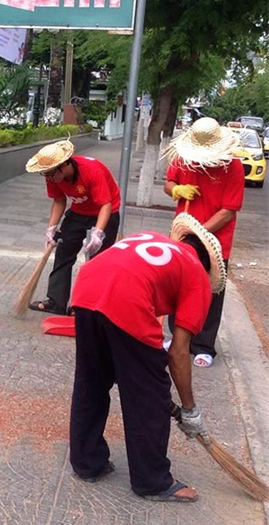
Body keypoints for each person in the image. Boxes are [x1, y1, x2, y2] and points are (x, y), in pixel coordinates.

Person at [69, 213, 226, 502]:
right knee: (150, 392)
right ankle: (152, 480)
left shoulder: (155, 240)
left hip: (86, 287)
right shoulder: (197, 277)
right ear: (207, 267)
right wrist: (190, 410)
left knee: (91, 382)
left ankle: (87, 463)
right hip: (125, 297)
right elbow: (179, 351)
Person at [163, 118, 244, 368]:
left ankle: (203, 345)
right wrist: (177, 190)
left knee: (210, 290)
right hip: (183, 234)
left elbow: (229, 211)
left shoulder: (233, 166)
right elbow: (169, 183)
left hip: (215, 239)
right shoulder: (185, 157)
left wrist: (200, 232)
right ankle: (178, 339)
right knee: (178, 287)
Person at [25, 140, 121, 315]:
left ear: (63, 165)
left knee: (97, 261)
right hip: (78, 213)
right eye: (44, 174)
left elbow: (105, 205)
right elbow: (59, 200)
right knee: (63, 254)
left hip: (106, 212)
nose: (48, 178)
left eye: (50, 174)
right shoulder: (53, 176)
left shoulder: (91, 170)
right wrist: (51, 228)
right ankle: (56, 302)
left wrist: (98, 233)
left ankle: (86, 306)